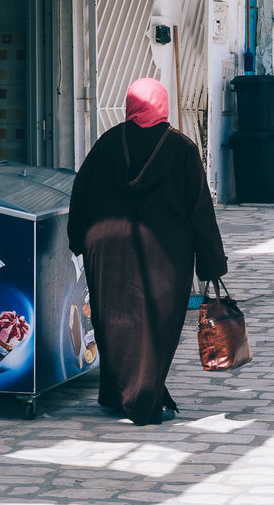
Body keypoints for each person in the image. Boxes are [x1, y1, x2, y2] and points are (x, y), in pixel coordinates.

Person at [67, 76, 228, 426]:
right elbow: (199, 208)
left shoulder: (109, 143)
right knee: (155, 325)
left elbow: (81, 190)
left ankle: (114, 393)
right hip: (165, 255)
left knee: (113, 321)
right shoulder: (182, 148)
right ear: (163, 105)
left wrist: (77, 239)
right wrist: (211, 261)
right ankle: (142, 401)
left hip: (107, 251)